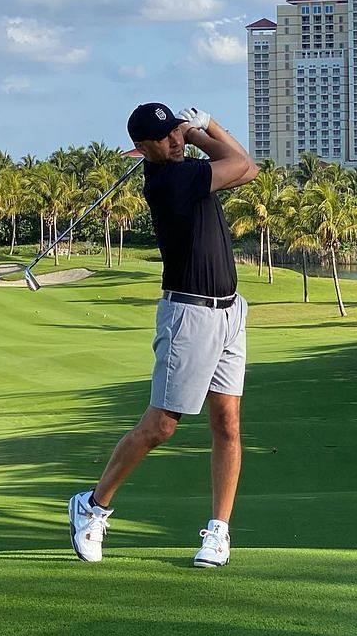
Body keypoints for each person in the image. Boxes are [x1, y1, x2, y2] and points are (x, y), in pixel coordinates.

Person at [68, 102, 259, 567]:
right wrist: (197, 134)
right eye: (167, 138)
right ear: (143, 148)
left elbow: (243, 166)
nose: (175, 142)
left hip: (230, 312)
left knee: (228, 425)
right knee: (161, 426)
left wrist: (206, 124)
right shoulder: (170, 181)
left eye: (177, 132)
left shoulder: (187, 171)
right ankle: (92, 507)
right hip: (188, 315)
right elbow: (243, 166)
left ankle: (218, 532)